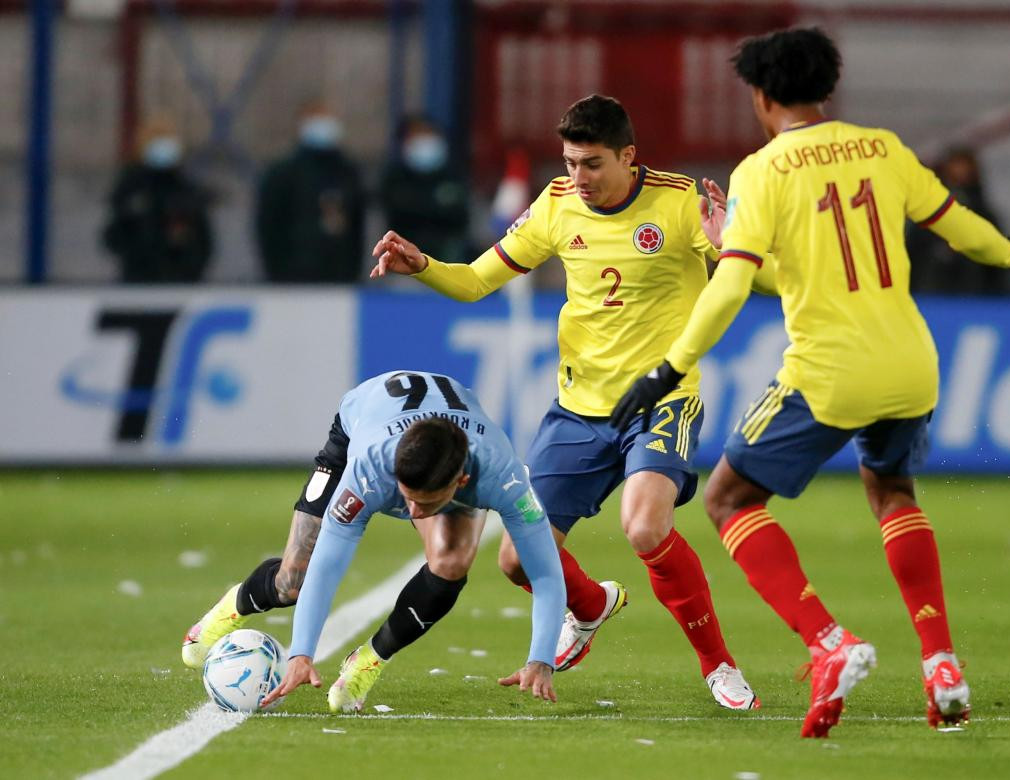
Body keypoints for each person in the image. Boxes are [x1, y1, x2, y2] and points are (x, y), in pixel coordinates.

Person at [610, 28, 1010, 737]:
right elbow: (959, 227)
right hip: (911, 362)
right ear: (826, 88)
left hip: (831, 372)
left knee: (727, 497)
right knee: (893, 490)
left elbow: (730, 288)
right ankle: (941, 665)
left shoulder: (762, 172)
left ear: (760, 95)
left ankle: (828, 642)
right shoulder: (883, 148)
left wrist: (668, 367)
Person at [369, 95, 760, 710]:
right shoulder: (555, 205)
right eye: (570, 162)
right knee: (515, 560)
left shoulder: (680, 201)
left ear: (629, 157)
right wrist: (424, 266)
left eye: (592, 164)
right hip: (578, 409)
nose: (578, 177)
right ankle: (591, 605)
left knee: (645, 526)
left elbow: (754, 279)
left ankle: (718, 666)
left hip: (661, 399)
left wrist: (731, 247)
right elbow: (476, 281)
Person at [181, 370, 566, 709]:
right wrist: (301, 652)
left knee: (450, 564)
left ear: (461, 482)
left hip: (451, 441)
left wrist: (540, 658)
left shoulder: (505, 478)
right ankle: (230, 607)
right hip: (365, 421)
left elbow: (546, 572)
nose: (413, 512)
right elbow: (329, 562)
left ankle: (368, 661)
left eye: (425, 503)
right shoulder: (369, 468)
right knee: (292, 580)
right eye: (407, 497)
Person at [256, 101, 366, 283]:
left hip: (341, 275)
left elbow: (356, 225)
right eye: (317, 118)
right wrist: (278, 272)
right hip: (294, 276)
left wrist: (353, 271)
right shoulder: (283, 173)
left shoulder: (347, 172)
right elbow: (269, 225)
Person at [101, 116, 213, 283]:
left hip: (183, 281)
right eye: (156, 141)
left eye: (167, 141)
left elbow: (203, 241)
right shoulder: (131, 188)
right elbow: (112, 236)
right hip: (137, 280)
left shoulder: (185, 189)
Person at [907, 145, 1010, 295]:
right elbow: (912, 256)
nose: (959, 175)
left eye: (964, 173)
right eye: (953, 175)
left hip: (977, 298)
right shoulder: (925, 215)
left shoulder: (985, 215)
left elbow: (999, 262)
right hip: (928, 297)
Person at [380, 117, 471, 263]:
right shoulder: (394, 178)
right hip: (401, 264)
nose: (425, 142)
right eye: (418, 136)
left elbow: (461, 218)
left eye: (429, 134)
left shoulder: (453, 176)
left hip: (448, 263)